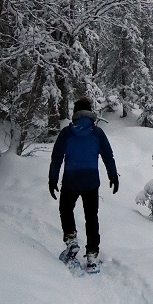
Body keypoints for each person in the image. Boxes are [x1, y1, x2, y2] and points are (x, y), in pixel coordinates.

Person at [49, 97, 119, 268]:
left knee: (66, 209)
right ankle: (92, 255)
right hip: (91, 180)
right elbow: (108, 156)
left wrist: (53, 179)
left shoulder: (67, 132)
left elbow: (57, 157)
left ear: (75, 113)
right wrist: (113, 175)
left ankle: (71, 239)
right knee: (91, 217)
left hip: (71, 179)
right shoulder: (97, 133)